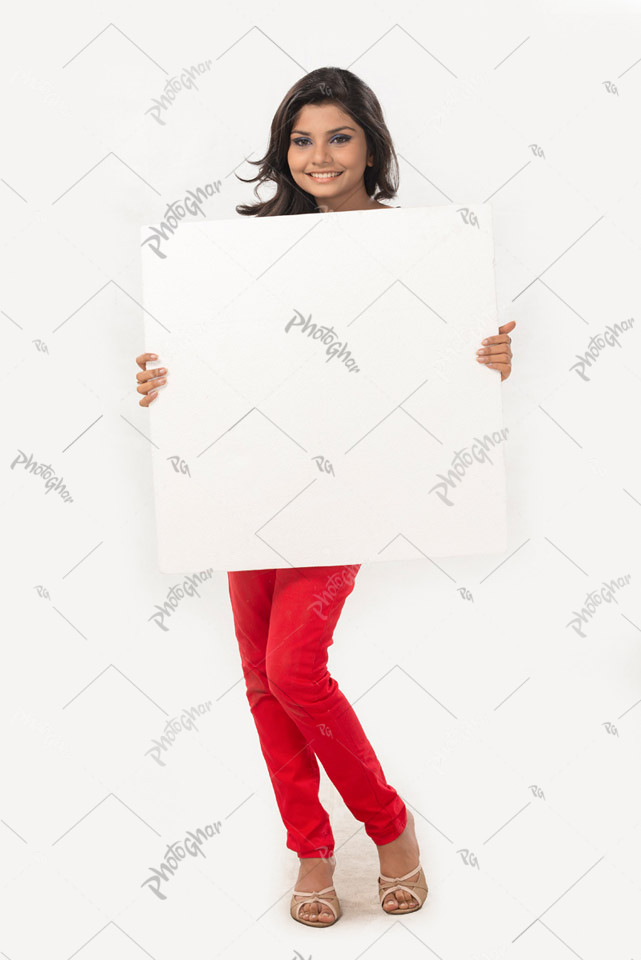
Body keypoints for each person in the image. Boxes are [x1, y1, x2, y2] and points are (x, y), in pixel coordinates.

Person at [136, 66, 515, 928]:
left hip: (346, 485)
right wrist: (166, 382)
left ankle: (388, 830)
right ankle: (308, 848)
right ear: (283, 149)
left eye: (338, 136)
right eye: (302, 139)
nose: (319, 155)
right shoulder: (249, 247)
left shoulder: (416, 243)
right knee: (261, 681)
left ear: (371, 144)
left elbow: (441, 360)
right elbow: (211, 359)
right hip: (246, 482)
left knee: (291, 669)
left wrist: (484, 364)